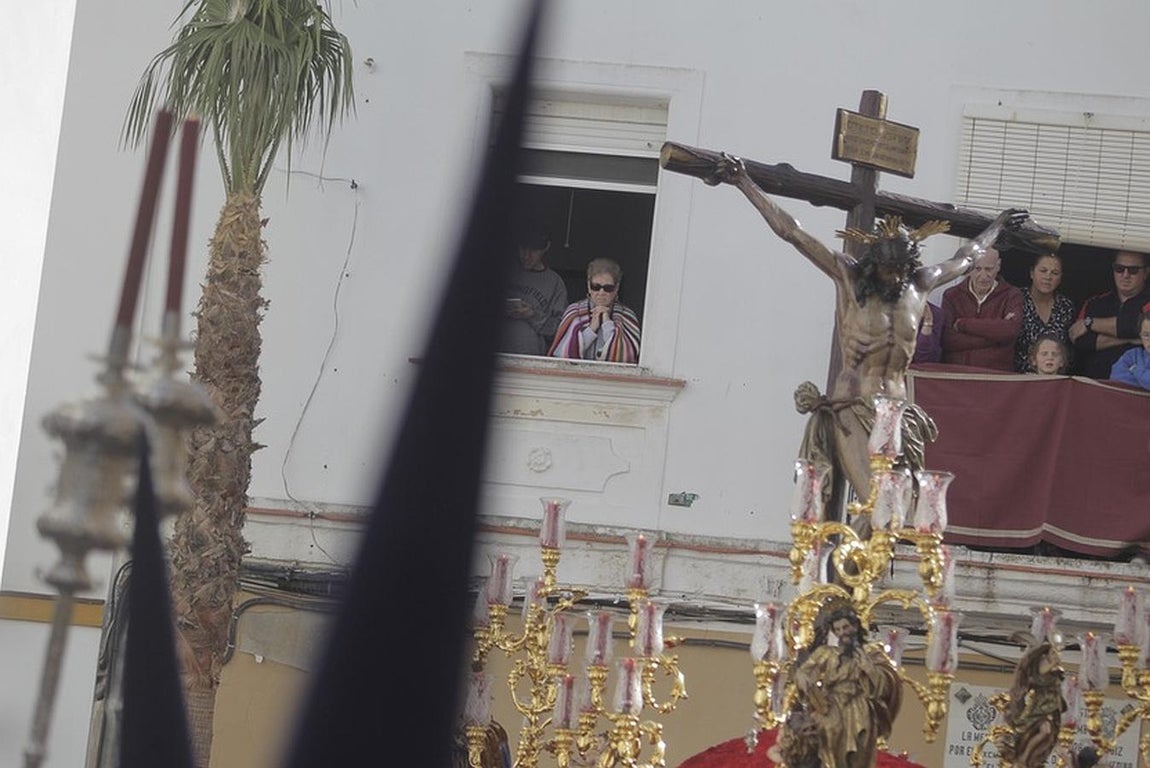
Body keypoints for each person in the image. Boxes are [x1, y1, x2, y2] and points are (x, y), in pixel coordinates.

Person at [707, 153, 1029, 506]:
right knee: (879, 501)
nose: (895, 277)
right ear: (874, 264)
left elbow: (967, 257)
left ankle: (857, 545)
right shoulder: (848, 276)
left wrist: (998, 226)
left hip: (897, 410)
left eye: (902, 269)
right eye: (889, 269)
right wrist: (744, 182)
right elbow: (792, 232)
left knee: (900, 509)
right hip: (853, 406)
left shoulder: (919, 284)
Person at [776, 601, 901, 768]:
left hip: (859, 710)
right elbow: (803, 671)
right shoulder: (826, 653)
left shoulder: (871, 654)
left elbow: (884, 683)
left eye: (845, 627)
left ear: (855, 627)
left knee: (860, 753)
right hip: (831, 707)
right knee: (826, 741)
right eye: (838, 629)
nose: (842, 633)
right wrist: (803, 678)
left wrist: (866, 665)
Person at [940, 247, 1023, 371]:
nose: (983, 276)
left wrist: (963, 324)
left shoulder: (1012, 295)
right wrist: (997, 338)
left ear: (998, 266)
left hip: (996, 375)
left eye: (989, 269)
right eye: (977, 269)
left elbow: (1010, 331)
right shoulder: (952, 295)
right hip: (957, 373)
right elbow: (948, 340)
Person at [1070, 250, 1150, 379]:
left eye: (1133, 270)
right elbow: (1080, 340)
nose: (1125, 275)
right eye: (1119, 269)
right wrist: (1128, 339)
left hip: (1138, 385)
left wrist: (1090, 323)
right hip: (1094, 382)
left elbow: (1131, 327)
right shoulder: (1094, 303)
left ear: (1146, 272)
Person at [548, 257, 641, 363]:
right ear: (588, 286)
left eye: (608, 288)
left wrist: (607, 323)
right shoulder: (574, 312)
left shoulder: (627, 316)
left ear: (616, 288)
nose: (601, 292)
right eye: (596, 287)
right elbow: (562, 355)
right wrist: (591, 329)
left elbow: (626, 358)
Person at [499, 225, 568, 356]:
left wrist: (532, 315)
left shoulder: (555, 283)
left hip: (531, 360)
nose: (527, 256)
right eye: (523, 249)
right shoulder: (505, 271)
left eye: (534, 250)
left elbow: (560, 331)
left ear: (546, 248)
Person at [1014, 252, 1076, 372]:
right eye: (1043, 271)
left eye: (1055, 273)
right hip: (1019, 376)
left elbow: (1069, 348)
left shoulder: (1066, 306)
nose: (1048, 277)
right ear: (1032, 273)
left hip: (1055, 377)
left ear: (1060, 278)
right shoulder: (1016, 299)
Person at [1109, 312, 1150, 389]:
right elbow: (1116, 379)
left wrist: (1135, 370)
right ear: (1140, 335)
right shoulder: (1132, 355)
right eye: (1146, 335)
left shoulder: (1134, 364)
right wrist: (1144, 382)